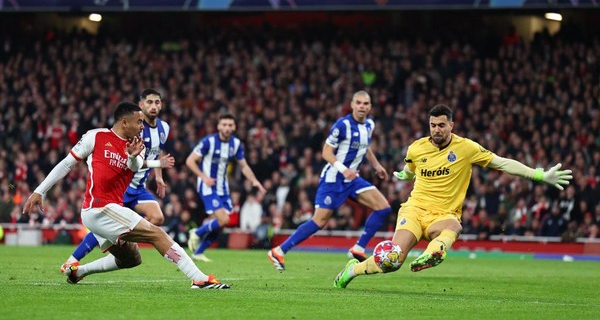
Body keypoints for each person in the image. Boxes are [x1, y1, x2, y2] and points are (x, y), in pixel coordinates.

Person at [333, 104, 572, 288]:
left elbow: (501, 163)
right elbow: (410, 168)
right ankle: (352, 270)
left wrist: (538, 175)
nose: (437, 129)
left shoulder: (466, 148)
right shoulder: (416, 148)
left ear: (451, 125)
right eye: (433, 125)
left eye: (441, 125)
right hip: (414, 211)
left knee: (454, 226)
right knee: (392, 262)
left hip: (443, 214)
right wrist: (406, 176)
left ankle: (431, 254)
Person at [23, 102, 229, 289]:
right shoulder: (96, 136)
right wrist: (40, 191)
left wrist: (131, 156)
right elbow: (67, 163)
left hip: (107, 211)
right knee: (157, 233)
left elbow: (135, 166)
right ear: (124, 122)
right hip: (100, 208)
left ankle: (78, 272)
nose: (142, 126)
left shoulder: (137, 146)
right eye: (138, 122)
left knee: (131, 259)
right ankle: (199, 279)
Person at [267, 90, 392, 270]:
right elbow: (326, 151)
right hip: (334, 178)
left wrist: (376, 165)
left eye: (365, 104)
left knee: (384, 207)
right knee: (319, 221)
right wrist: (343, 169)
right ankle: (278, 250)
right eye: (358, 103)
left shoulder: (369, 125)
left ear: (370, 107)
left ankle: (358, 248)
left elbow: (366, 147)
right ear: (352, 105)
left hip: (353, 179)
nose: (362, 107)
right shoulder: (342, 125)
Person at [60, 89, 173, 272]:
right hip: (124, 186)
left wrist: (158, 176)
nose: (154, 106)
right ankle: (73, 259)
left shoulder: (164, 128)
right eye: (149, 102)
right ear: (141, 104)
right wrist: (156, 163)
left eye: (157, 102)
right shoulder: (132, 126)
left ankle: (118, 238)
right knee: (106, 227)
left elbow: (156, 151)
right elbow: (130, 160)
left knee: (157, 217)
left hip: (140, 187)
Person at [186, 113, 266, 262]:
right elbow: (190, 161)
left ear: (234, 127)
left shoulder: (235, 144)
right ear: (218, 126)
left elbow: (243, 165)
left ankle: (198, 252)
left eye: (230, 125)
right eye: (224, 125)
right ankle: (196, 232)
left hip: (223, 188)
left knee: (224, 222)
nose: (227, 128)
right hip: (207, 186)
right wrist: (203, 177)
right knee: (222, 220)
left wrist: (254, 181)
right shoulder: (208, 141)